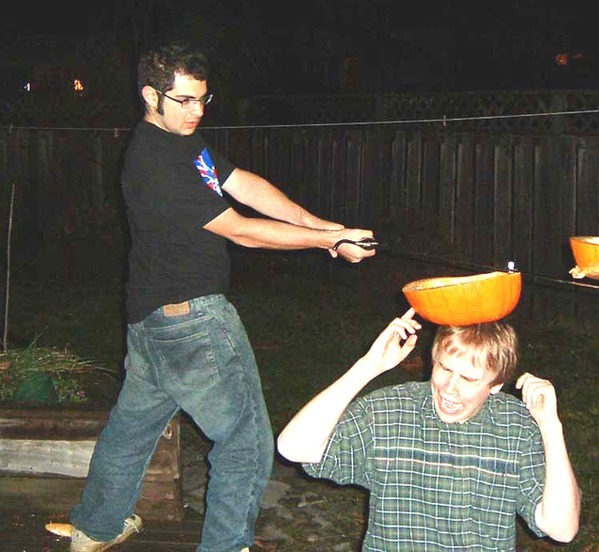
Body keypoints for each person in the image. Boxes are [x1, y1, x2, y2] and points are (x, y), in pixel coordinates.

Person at [68, 40, 376, 552]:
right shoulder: (154, 161)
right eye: (184, 100)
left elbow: (243, 185)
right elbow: (242, 231)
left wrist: (326, 228)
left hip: (152, 321)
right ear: (150, 96)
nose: (196, 111)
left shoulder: (185, 143)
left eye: (202, 99)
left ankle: (95, 529)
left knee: (131, 430)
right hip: (192, 321)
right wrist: (328, 241)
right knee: (246, 443)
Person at [277, 308, 581, 551]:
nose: (449, 388)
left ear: (496, 384)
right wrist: (368, 366)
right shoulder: (391, 410)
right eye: (444, 368)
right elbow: (293, 448)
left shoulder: (514, 426)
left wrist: (550, 426)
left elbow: (562, 529)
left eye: (468, 379)